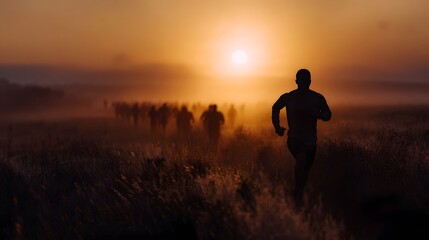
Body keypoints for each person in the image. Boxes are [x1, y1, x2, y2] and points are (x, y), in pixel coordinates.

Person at [271, 69, 332, 209]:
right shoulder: (289, 97)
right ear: (296, 81)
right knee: (301, 160)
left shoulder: (317, 98)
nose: (304, 82)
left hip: (311, 141)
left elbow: (328, 115)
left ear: (310, 81)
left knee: (305, 169)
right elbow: (275, 107)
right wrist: (277, 126)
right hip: (294, 139)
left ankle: (299, 193)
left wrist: (317, 114)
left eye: (306, 80)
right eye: (301, 80)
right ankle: (298, 195)